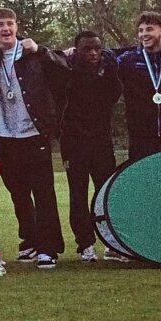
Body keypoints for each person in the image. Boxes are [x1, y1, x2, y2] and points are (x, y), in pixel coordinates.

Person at [0, 8, 69, 269]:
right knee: (17, 192)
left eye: (9, 24)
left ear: (17, 27)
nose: (5, 29)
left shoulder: (33, 53)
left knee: (43, 192)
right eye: (0, 25)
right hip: (5, 135)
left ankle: (48, 248)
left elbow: (64, 73)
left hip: (34, 132)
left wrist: (41, 50)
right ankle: (29, 240)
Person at [59, 31, 122, 263]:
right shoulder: (66, 69)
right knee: (78, 194)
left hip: (101, 142)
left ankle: (111, 244)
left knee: (105, 193)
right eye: (87, 49)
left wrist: (111, 67)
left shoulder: (108, 70)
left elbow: (115, 93)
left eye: (97, 48)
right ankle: (85, 245)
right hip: (73, 142)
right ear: (77, 50)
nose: (93, 53)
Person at [116, 12, 161, 162]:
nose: (144, 34)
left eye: (149, 29)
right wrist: (74, 52)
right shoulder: (128, 60)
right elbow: (104, 59)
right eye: (141, 30)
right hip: (140, 136)